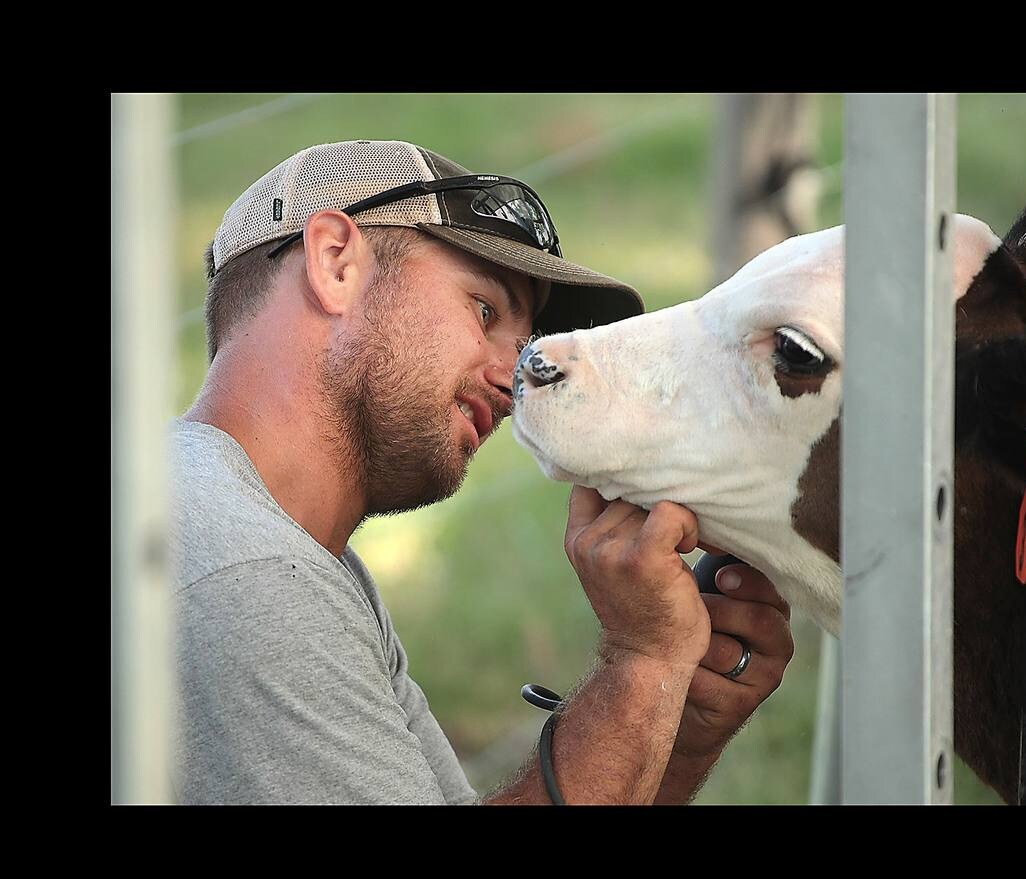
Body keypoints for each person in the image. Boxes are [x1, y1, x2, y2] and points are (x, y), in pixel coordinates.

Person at [172, 139, 796, 804]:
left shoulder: (273, 548)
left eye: (526, 346)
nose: (514, 379)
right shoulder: (242, 570)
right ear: (334, 263)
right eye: (484, 310)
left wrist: (675, 721)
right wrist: (641, 665)